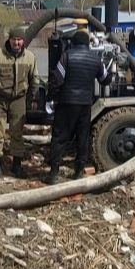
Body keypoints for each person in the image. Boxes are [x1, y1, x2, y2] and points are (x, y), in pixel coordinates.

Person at [46, 29, 112, 184]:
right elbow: (105, 80)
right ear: (88, 43)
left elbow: (58, 79)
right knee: (82, 138)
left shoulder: (67, 56)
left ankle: (54, 173)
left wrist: (52, 98)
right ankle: (79, 172)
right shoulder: (95, 59)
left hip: (67, 103)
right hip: (85, 104)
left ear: (73, 42)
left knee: (59, 137)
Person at [0, 25, 38, 179]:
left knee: (17, 133)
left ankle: (17, 165)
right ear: (9, 40)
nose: (17, 43)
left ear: (23, 41)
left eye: (19, 40)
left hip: (19, 100)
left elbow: (35, 80)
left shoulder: (30, 57)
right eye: (14, 39)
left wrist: (33, 99)